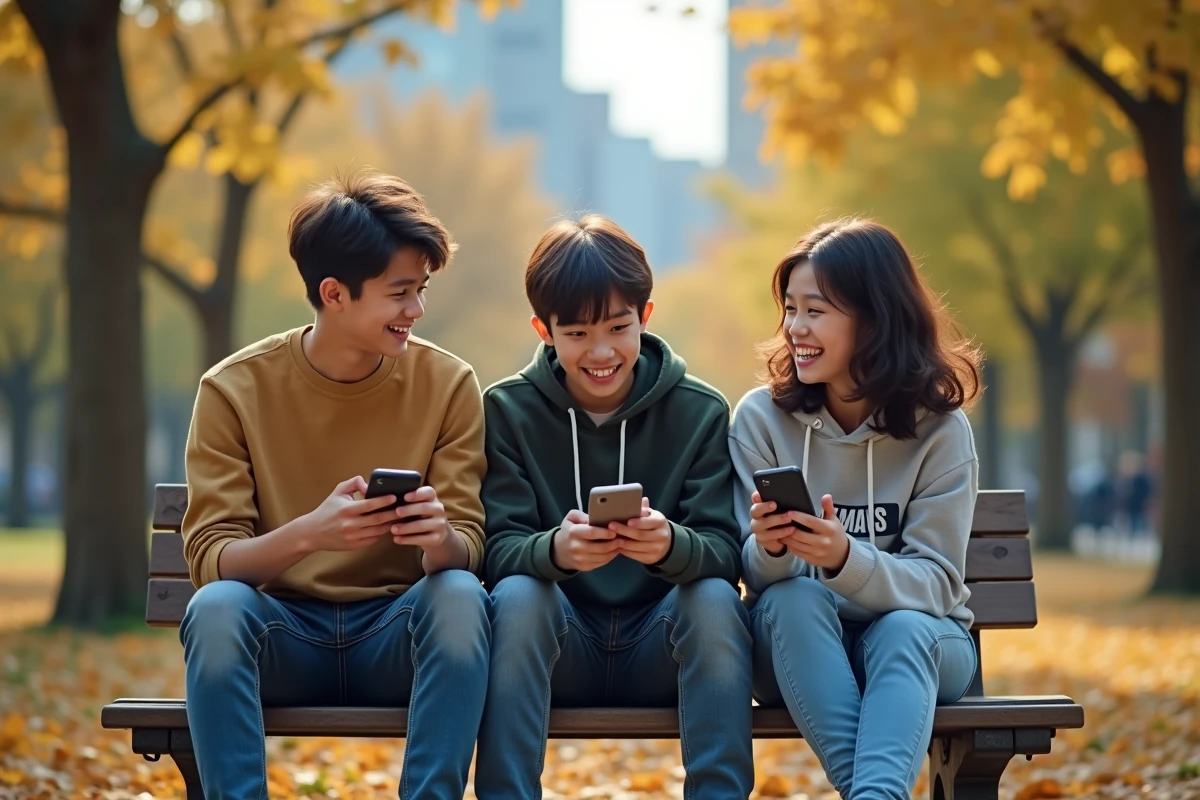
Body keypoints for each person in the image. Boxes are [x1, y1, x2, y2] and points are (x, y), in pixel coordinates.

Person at [179, 170, 490, 800]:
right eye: (400, 293)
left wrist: (441, 542)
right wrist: (309, 535)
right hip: (282, 637)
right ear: (334, 293)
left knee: (458, 594)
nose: (417, 310)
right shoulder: (233, 390)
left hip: (396, 639)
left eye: (421, 290)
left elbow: (471, 545)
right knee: (215, 611)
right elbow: (211, 561)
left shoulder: (449, 385)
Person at [474, 215, 754, 799]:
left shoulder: (699, 410)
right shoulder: (507, 409)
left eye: (617, 328)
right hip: (560, 648)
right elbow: (494, 552)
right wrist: (555, 549)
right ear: (543, 330)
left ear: (645, 317)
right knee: (519, 595)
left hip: (662, 648)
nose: (600, 352)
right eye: (575, 334)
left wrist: (671, 546)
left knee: (713, 598)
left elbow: (727, 552)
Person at [729, 218, 983, 800]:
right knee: (792, 596)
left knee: (905, 628)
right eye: (789, 309)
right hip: (797, 653)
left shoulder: (941, 432)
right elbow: (754, 577)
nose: (795, 328)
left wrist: (846, 557)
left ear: (874, 318)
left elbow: (940, 585)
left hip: (922, 651)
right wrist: (769, 548)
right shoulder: (760, 419)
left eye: (814, 311)